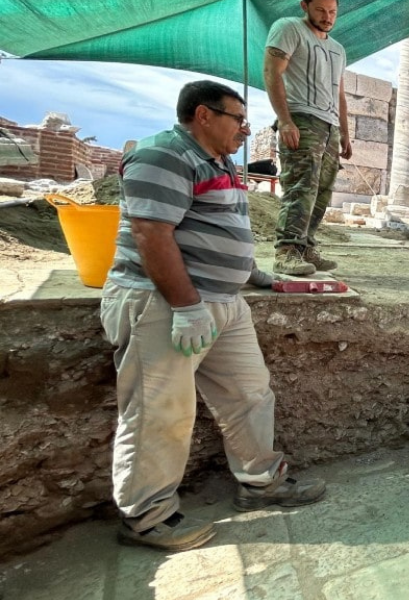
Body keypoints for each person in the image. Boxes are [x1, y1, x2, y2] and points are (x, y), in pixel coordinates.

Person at [101, 80, 326, 552]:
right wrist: (186, 306)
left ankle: (260, 482)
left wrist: (255, 275)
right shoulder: (164, 155)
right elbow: (152, 235)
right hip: (166, 304)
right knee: (159, 411)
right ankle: (147, 517)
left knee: (249, 392)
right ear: (204, 115)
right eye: (238, 120)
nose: (245, 130)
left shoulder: (220, 162)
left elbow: (219, 228)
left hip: (223, 303)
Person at [264, 0, 351, 276]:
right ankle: (286, 252)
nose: (327, 17)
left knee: (322, 190)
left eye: (332, 12)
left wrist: (345, 132)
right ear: (305, 5)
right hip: (301, 118)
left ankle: (306, 247)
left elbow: (339, 93)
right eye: (320, 11)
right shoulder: (288, 28)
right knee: (301, 185)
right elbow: (271, 72)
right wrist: (286, 120)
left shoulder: (338, 49)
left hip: (330, 126)